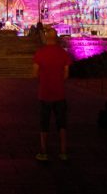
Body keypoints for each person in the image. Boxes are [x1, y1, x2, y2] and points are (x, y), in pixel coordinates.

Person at [32, 27, 71, 162]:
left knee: (44, 124)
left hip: (44, 94)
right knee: (62, 125)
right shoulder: (63, 53)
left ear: (46, 37)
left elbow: (35, 73)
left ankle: (43, 152)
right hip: (60, 94)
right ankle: (63, 152)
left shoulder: (40, 53)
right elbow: (66, 74)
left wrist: (43, 79)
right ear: (56, 38)